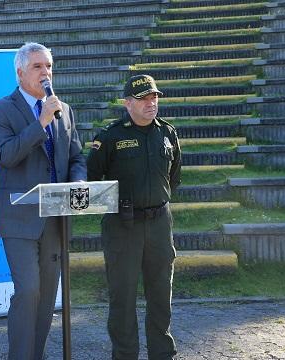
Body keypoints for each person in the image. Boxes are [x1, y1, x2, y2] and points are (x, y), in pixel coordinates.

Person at [0, 42, 86, 360]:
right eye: (38, 67)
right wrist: (41, 121)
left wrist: (78, 183)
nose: (46, 73)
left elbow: (76, 156)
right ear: (20, 72)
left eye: (48, 67)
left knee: (46, 299)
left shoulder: (64, 110)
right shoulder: (1, 109)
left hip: (55, 217)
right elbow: (6, 156)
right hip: (19, 219)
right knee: (28, 291)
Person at [86, 74, 181, 360]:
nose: (151, 103)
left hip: (159, 224)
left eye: (154, 97)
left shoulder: (167, 133)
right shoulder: (110, 136)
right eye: (143, 98)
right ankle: (125, 355)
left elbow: (173, 178)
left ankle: (162, 353)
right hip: (122, 226)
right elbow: (91, 179)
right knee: (123, 298)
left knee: (161, 294)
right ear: (127, 103)